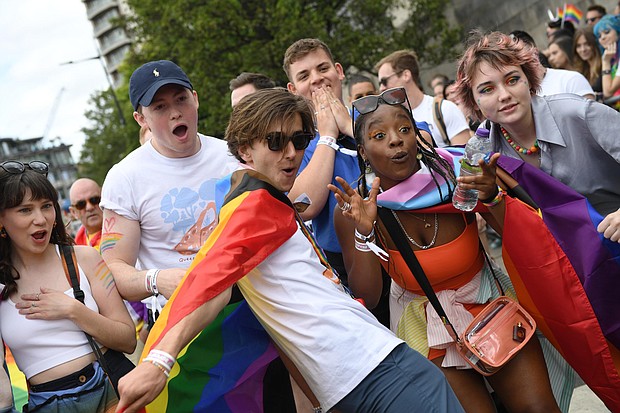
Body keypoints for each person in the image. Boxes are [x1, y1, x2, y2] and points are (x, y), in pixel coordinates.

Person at [114, 87, 465, 413]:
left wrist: (363, 233)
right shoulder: (253, 206)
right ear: (244, 150)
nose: (292, 153)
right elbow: (211, 283)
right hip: (376, 371)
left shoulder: (268, 203)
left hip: (373, 367)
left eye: (299, 140)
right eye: (276, 141)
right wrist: (158, 360)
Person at [328, 87, 560, 413]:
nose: (396, 140)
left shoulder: (453, 176)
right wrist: (365, 233)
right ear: (363, 151)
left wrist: (492, 196)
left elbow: (518, 238)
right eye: (380, 135)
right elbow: (368, 294)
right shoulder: (355, 208)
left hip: (490, 309)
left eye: (404, 129)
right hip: (427, 328)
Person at [454, 31, 620, 240]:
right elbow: (515, 234)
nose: (504, 95)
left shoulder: (579, 113)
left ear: (529, 81)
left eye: (512, 80)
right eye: (487, 90)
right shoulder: (483, 150)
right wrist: (489, 196)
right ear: (474, 101)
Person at [0, 161, 136, 412]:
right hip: (47, 404)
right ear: (2, 220)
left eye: (46, 207)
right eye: (25, 210)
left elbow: (128, 340)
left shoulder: (83, 258)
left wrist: (74, 310)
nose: (40, 219)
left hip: (111, 392)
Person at [283, 38, 360, 282]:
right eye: (304, 76)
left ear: (339, 71)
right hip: (346, 266)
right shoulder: (296, 145)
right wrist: (327, 136)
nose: (316, 79)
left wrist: (351, 127)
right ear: (293, 90)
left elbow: (421, 142)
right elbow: (302, 206)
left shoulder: (374, 113)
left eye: (322, 68)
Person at [375, 50, 470, 147]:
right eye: (380, 84)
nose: (382, 88)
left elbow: (463, 157)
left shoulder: (445, 109)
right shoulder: (389, 120)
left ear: (406, 75)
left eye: (384, 81)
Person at [510, 30, 595, 99]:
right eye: (511, 57)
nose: (518, 60)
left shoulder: (571, 80)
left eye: (520, 53)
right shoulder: (518, 100)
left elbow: (592, 117)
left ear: (535, 52)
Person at [69, 178, 103, 251]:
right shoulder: (76, 248)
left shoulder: (125, 230)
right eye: (81, 204)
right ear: (73, 212)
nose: (89, 207)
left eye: (94, 200)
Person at [594, 14, 620, 107]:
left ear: (618, 31)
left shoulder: (607, 60)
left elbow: (608, 92)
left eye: (607, 32)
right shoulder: (612, 58)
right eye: (599, 36)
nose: (603, 38)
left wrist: (605, 62)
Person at [573, 28, 603, 96]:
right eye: (578, 46)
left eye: (587, 44)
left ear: (594, 44)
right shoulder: (580, 71)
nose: (583, 49)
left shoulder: (605, 64)